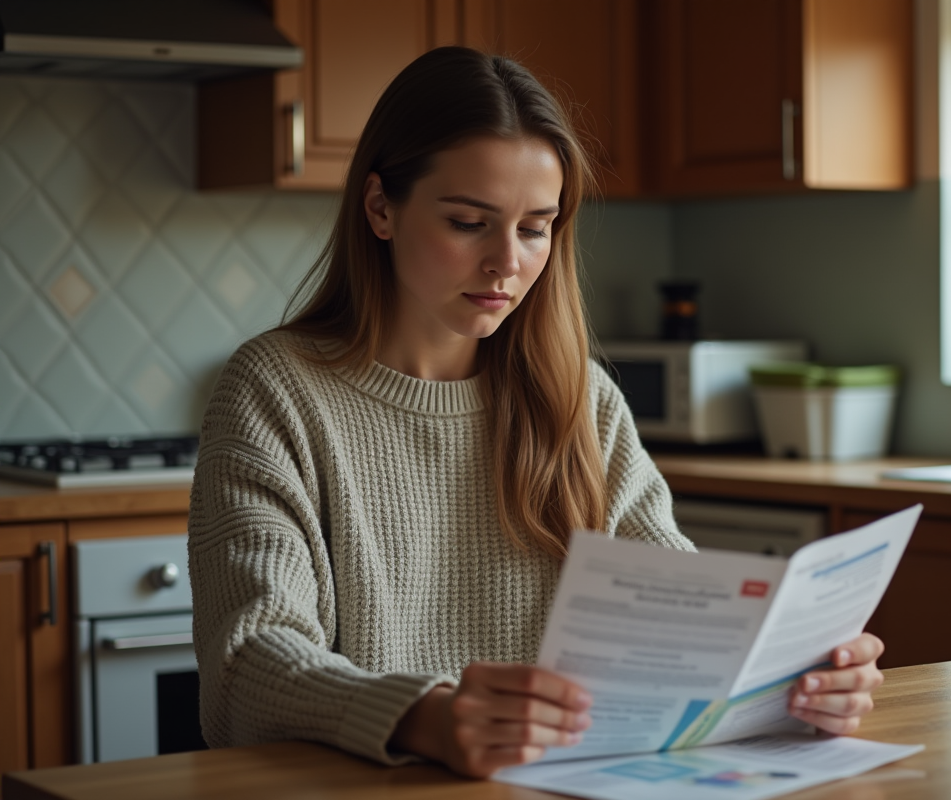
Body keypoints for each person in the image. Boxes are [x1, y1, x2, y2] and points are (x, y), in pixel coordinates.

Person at [187, 45, 885, 780]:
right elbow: (247, 666)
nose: (506, 264)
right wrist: (427, 718)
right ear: (380, 208)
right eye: (467, 222)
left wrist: (795, 679)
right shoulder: (275, 389)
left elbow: (680, 621)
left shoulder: (577, 396)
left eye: (534, 227)